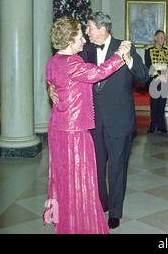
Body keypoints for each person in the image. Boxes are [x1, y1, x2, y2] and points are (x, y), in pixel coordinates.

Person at [49, 12, 149, 229]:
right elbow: (62, 71)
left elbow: (144, 76)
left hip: (119, 119)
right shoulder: (82, 50)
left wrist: (129, 60)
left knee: (117, 167)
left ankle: (115, 211)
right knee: (94, 167)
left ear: (102, 28)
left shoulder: (124, 48)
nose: (86, 32)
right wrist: (51, 88)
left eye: (90, 28)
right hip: (90, 121)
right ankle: (100, 204)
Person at [145, 30, 168, 134]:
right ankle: (152, 126)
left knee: (162, 105)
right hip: (154, 81)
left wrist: (166, 75)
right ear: (155, 38)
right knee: (154, 105)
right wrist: (158, 76)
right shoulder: (149, 50)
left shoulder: (167, 50)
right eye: (161, 37)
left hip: (165, 80)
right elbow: (148, 65)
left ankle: (162, 127)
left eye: (164, 38)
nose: (163, 40)